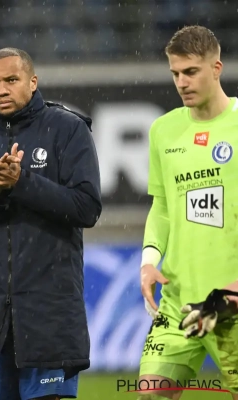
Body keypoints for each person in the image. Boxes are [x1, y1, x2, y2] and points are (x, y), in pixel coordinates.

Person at [0, 47, 102, 400]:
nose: (1, 90)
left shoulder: (68, 128)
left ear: (32, 81)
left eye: (11, 80)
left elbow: (86, 207)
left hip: (50, 313)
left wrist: (21, 182)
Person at [139, 25, 238, 399]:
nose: (182, 82)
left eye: (191, 71)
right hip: (177, 302)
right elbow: (162, 207)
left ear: (216, 68)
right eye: (175, 73)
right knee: (151, 393)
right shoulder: (163, 130)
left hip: (232, 302)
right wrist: (149, 261)